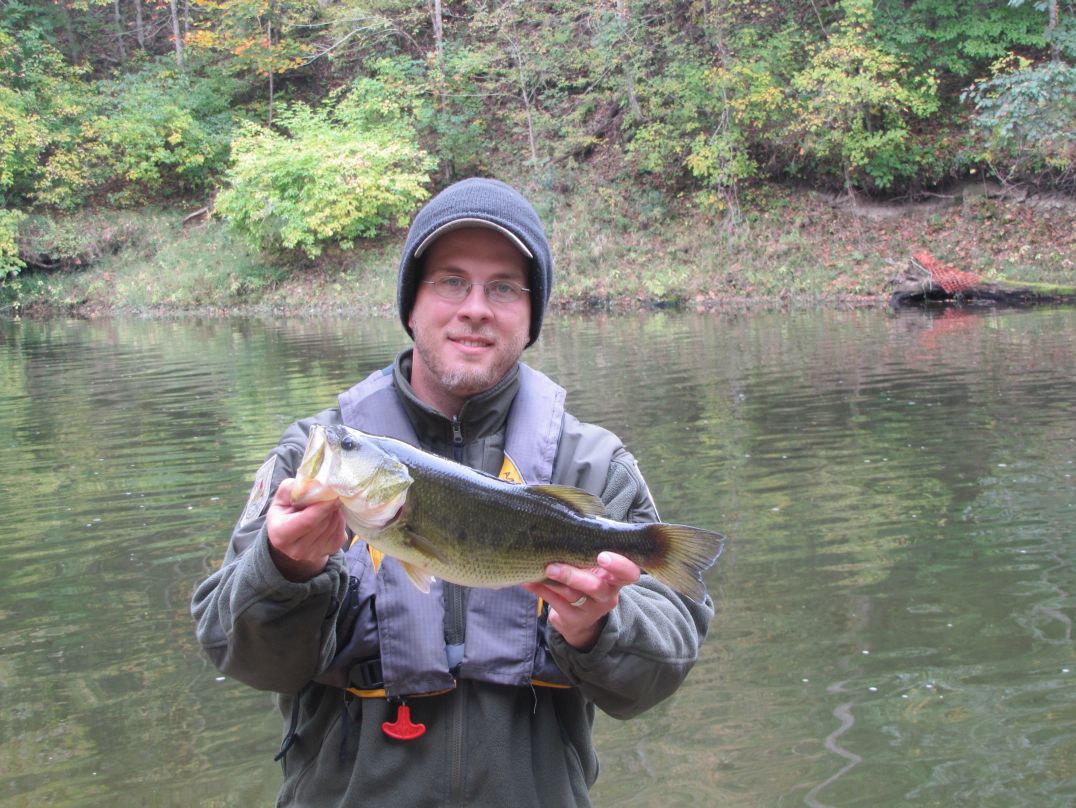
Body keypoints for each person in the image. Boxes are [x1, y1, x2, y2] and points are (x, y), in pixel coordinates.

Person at [191, 178, 715, 807]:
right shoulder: (314, 460)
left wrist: (600, 625)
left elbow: (661, 668)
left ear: (531, 315)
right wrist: (284, 569)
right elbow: (232, 648)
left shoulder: (595, 464)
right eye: (450, 281)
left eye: (504, 287)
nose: (476, 308)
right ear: (411, 304)